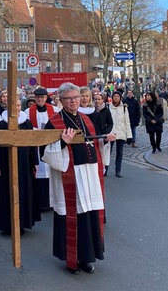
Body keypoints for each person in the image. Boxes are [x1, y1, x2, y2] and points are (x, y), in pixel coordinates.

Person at [41, 83, 113, 275]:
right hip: (70, 175)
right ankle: (71, 259)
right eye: (69, 98)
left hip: (89, 175)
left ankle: (87, 258)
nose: (73, 101)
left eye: (76, 97)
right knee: (72, 218)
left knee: (88, 217)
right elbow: (45, 153)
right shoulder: (54, 122)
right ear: (61, 101)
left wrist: (106, 139)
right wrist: (62, 144)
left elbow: (95, 142)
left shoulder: (87, 120)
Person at [0, 99, 39, 234]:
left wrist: (35, 163)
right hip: (6, 162)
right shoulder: (2, 124)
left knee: (24, 191)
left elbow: (32, 144)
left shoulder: (27, 123)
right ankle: (8, 225)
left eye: (19, 105)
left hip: (25, 163)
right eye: (14, 106)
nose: (17, 108)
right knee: (7, 193)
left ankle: (22, 223)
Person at [25, 87, 60, 211]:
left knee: (50, 173)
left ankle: (51, 202)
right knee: (38, 173)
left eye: (42, 97)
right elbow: (26, 128)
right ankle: (39, 202)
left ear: (46, 98)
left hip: (50, 145)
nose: (40, 99)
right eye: (38, 97)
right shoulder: (28, 112)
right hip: (35, 146)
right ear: (35, 98)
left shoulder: (55, 110)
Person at [108, 91, 132, 178]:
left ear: (120, 98)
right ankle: (105, 169)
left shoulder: (124, 108)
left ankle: (118, 170)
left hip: (121, 133)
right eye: (114, 96)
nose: (116, 98)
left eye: (118, 96)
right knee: (108, 152)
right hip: (111, 133)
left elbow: (127, 122)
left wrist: (129, 136)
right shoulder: (108, 107)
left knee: (120, 153)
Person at [92, 92, 114, 176]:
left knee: (104, 154)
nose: (97, 101)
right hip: (94, 135)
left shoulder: (106, 110)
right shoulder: (91, 110)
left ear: (102, 100)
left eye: (99, 99)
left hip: (104, 135)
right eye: (95, 99)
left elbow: (110, 123)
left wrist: (106, 132)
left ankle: (104, 169)